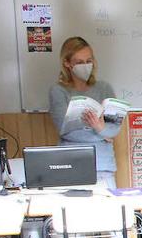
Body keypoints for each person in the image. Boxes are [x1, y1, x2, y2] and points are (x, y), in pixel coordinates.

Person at [49, 36, 121, 187]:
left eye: (89, 61)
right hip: (70, 166)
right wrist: (101, 133)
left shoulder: (104, 88)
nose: (86, 65)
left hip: (103, 167)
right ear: (67, 63)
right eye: (79, 62)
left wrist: (101, 128)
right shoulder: (58, 91)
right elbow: (65, 130)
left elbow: (114, 129)